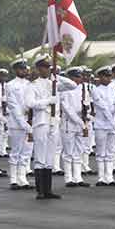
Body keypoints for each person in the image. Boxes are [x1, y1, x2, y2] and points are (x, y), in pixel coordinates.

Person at [26, 53, 77, 199]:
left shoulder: (54, 83)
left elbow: (72, 85)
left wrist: (57, 76)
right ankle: (40, 191)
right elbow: (29, 103)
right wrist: (48, 101)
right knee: (40, 157)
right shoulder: (32, 85)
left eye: (48, 67)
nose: (46, 70)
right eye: (44, 67)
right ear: (38, 68)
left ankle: (48, 190)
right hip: (41, 122)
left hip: (54, 123)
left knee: (49, 158)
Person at [4, 59, 34, 190]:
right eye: (21, 69)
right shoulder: (11, 85)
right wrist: (24, 123)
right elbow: (13, 106)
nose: (24, 71)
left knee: (26, 152)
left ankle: (23, 178)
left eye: (25, 69)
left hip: (30, 121)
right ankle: (14, 180)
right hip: (17, 123)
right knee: (16, 151)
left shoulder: (30, 84)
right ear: (15, 70)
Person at [60, 66, 91, 188]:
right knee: (68, 153)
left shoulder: (84, 89)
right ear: (71, 77)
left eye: (81, 76)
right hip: (69, 124)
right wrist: (80, 122)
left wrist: (85, 121)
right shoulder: (64, 90)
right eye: (77, 76)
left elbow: (87, 106)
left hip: (81, 124)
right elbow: (68, 110)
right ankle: (68, 178)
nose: (80, 78)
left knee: (79, 151)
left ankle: (78, 177)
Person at [91, 66, 115, 187]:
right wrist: (114, 124)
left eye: (109, 76)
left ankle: (110, 177)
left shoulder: (114, 90)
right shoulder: (96, 90)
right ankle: (101, 177)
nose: (108, 78)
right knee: (100, 152)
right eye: (105, 76)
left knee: (111, 152)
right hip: (101, 124)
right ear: (100, 77)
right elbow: (102, 107)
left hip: (112, 125)